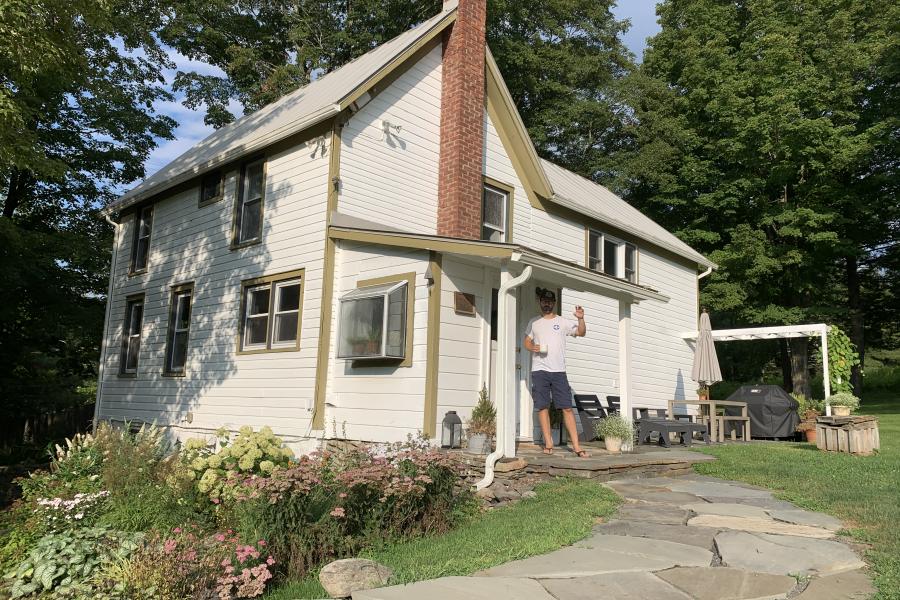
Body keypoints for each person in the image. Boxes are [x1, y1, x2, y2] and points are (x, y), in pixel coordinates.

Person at [523, 288, 589, 457]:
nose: (547, 304)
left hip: (559, 371)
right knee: (543, 407)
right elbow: (527, 342)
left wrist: (581, 319)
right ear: (540, 302)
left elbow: (581, 333)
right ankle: (549, 443)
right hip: (539, 370)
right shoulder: (534, 322)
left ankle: (576, 446)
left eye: (550, 302)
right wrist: (533, 347)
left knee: (566, 408)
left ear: (554, 303)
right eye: (544, 301)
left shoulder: (563, 321)